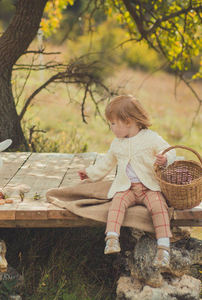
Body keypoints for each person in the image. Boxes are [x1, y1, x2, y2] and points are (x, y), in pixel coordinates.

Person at [77, 94, 176, 267]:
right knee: (116, 204)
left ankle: (163, 249)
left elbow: (169, 150)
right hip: (127, 187)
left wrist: (165, 158)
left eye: (113, 123)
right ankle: (112, 238)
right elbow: (107, 162)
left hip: (149, 187)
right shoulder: (117, 143)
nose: (111, 128)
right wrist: (90, 173)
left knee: (160, 208)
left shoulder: (150, 138)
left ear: (128, 122)